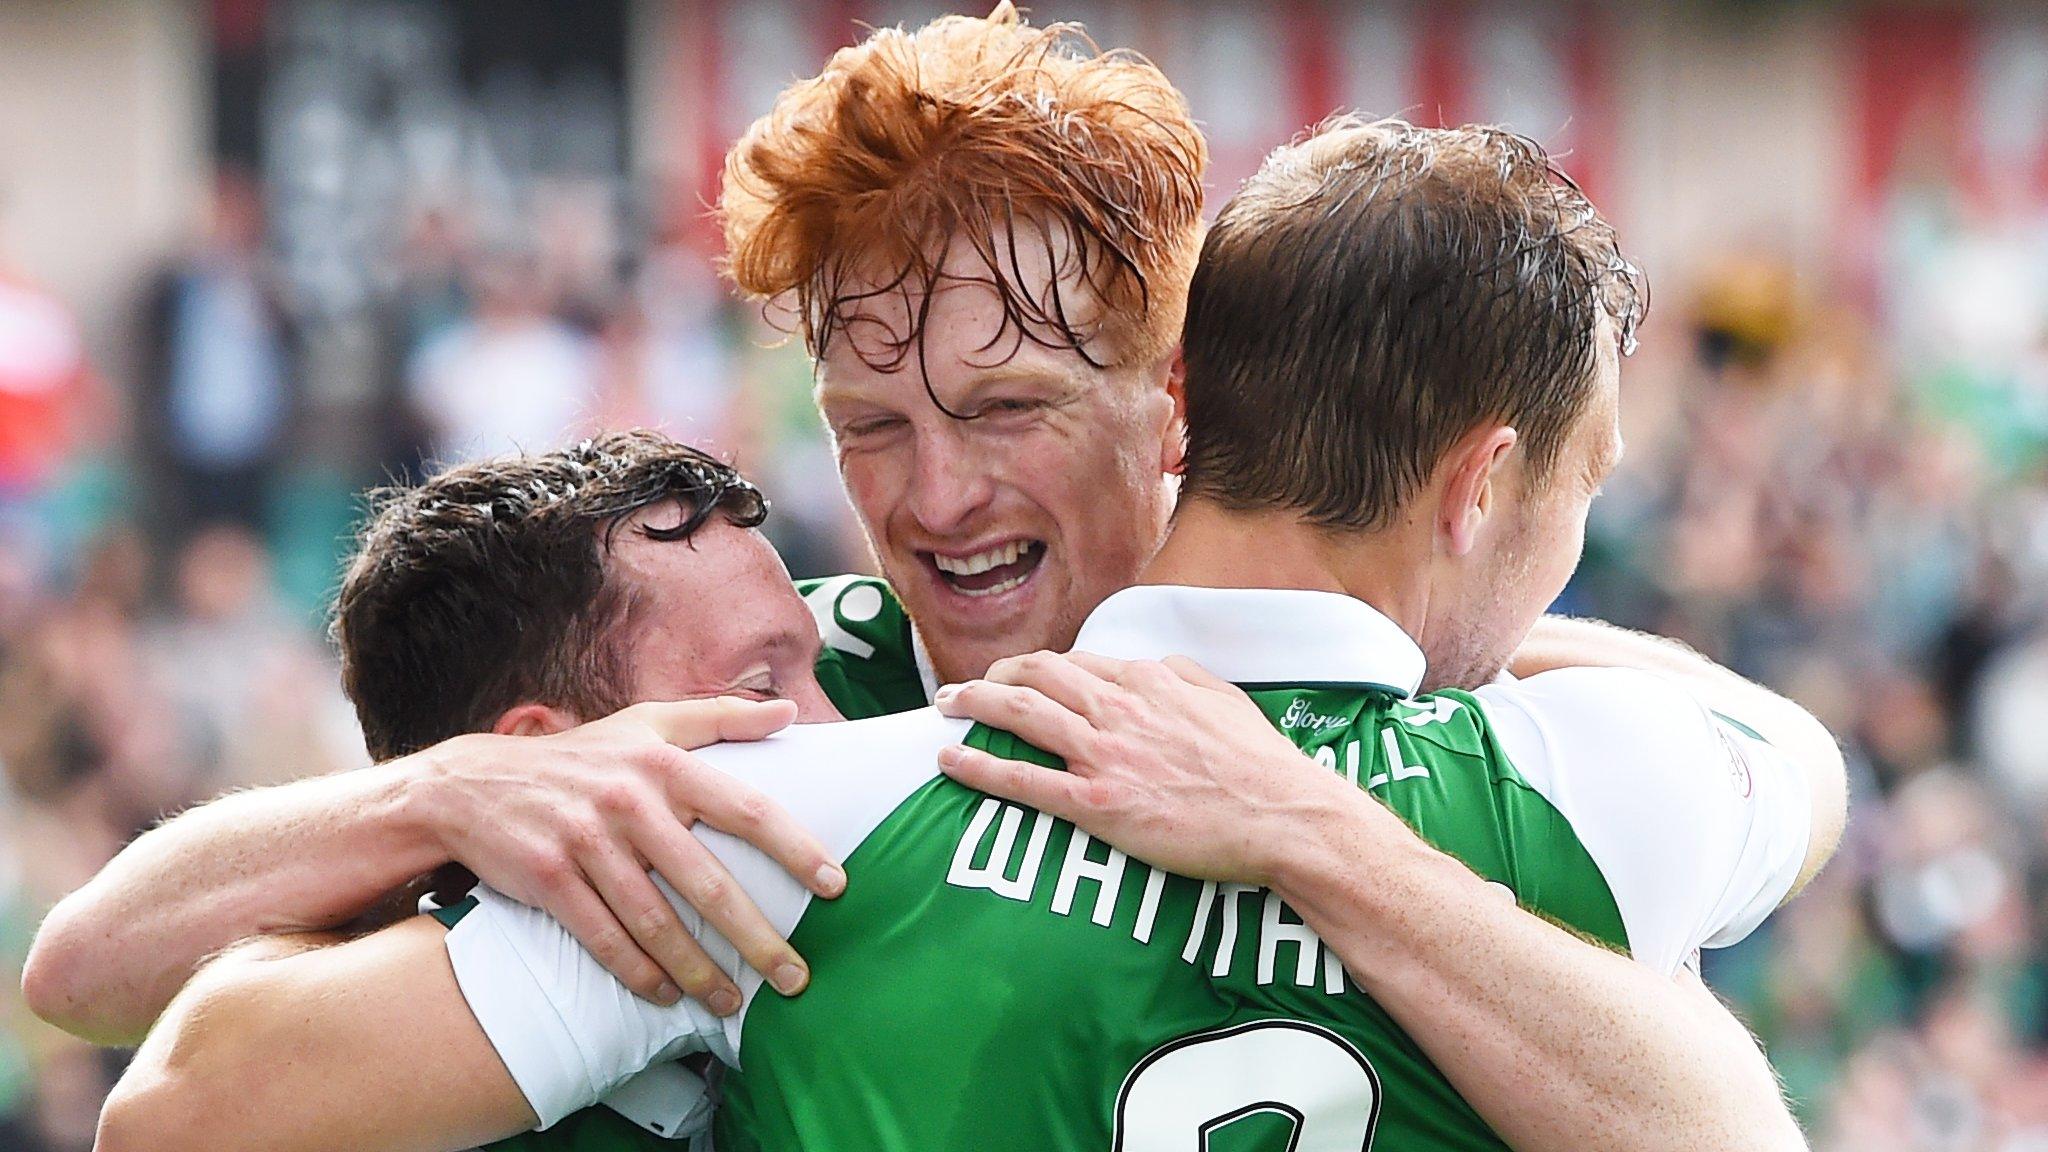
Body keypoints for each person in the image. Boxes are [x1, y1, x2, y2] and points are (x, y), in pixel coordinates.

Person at [94, 117, 1843, 1152]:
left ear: (1174, 403)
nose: (933, 497)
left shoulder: (811, 814)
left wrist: (1311, 813)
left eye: (1002, 406)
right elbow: (100, 1004)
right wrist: (454, 794)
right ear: (1484, 490)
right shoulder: (1597, 776)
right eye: (868, 428)